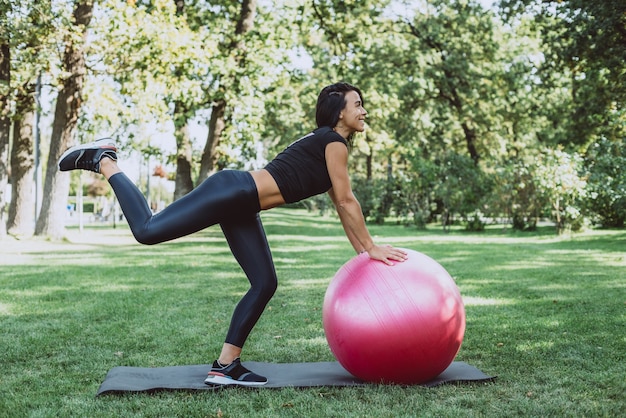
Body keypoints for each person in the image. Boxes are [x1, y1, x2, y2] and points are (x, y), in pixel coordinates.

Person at [58, 82, 408, 386]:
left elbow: (341, 206)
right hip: (234, 190)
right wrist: (372, 247)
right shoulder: (333, 142)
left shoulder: (328, 142)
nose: (364, 111)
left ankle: (225, 366)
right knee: (147, 230)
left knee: (265, 283)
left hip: (243, 203)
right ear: (339, 112)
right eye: (357, 105)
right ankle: (105, 159)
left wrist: (364, 253)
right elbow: (347, 201)